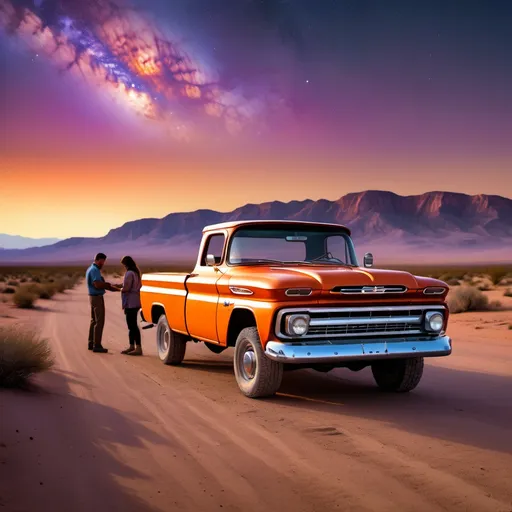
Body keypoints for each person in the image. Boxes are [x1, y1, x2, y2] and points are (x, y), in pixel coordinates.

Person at [85, 253, 119, 353]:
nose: (103, 263)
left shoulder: (90, 269)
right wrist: (109, 286)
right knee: (99, 321)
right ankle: (97, 345)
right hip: (97, 298)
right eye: (103, 261)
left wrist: (110, 286)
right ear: (99, 260)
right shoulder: (95, 270)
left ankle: (91, 343)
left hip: (92, 297)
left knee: (94, 321)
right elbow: (97, 284)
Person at [115, 255, 143, 356]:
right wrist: (118, 285)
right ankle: (132, 346)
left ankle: (137, 348)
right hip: (135, 301)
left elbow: (126, 288)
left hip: (130, 302)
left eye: (124, 265)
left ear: (126, 264)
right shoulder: (136, 273)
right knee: (132, 325)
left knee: (132, 325)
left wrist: (117, 289)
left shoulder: (129, 273)